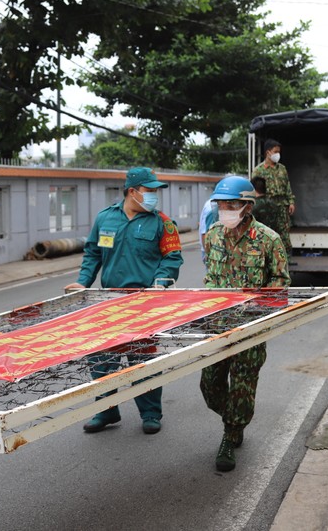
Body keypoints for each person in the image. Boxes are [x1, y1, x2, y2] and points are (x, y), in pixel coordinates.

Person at [65, 166, 183, 435]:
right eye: (150, 190)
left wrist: (161, 283)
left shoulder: (162, 223)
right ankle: (107, 411)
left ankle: (151, 413)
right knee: (102, 359)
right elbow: (93, 254)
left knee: (141, 360)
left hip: (144, 302)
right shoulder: (106, 218)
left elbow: (172, 258)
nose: (154, 195)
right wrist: (83, 282)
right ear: (133, 191)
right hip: (108, 302)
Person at [201, 175, 290, 472]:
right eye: (221, 204)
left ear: (247, 206)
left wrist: (263, 307)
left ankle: (231, 433)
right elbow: (210, 278)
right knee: (210, 386)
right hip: (216, 326)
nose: (224, 208)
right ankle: (233, 417)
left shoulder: (268, 239)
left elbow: (280, 283)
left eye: (231, 204)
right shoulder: (213, 234)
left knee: (242, 386)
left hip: (251, 328)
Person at [252, 139, 295, 258]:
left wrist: (291, 202)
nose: (278, 154)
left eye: (279, 152)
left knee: (284, 233)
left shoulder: (282, 169)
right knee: (268, 233)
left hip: (282, 206)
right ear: (268, 152)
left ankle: (286, 259)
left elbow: (287, 186)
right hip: (267, 206)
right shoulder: (258, 170)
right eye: (275, 151)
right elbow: (254, 189)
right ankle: (269, 259)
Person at [198, 198, 218, 263]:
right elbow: (205, 233)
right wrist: (208, 253)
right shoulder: (213, 207)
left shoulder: (214, 204)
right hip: (212, 253)